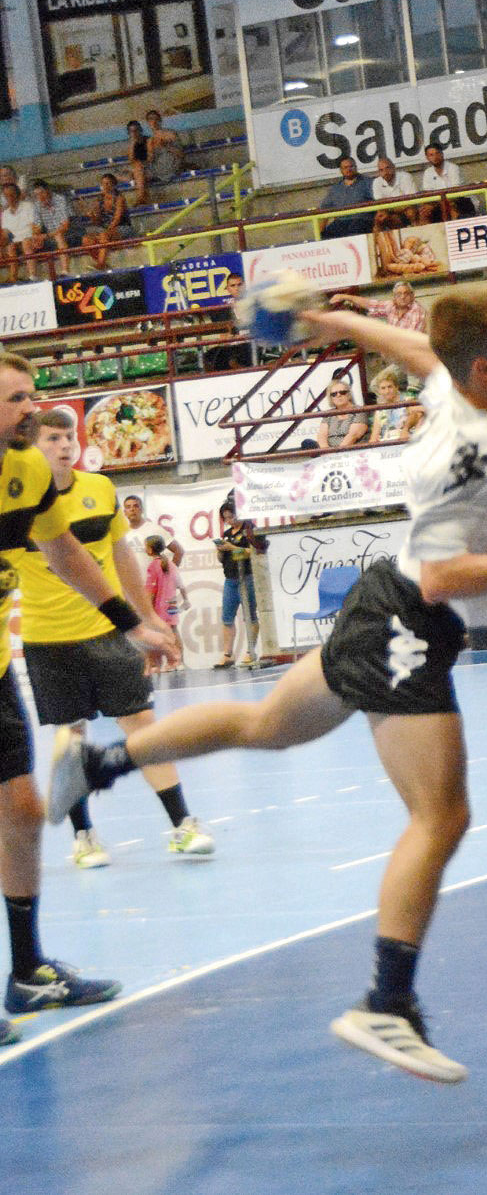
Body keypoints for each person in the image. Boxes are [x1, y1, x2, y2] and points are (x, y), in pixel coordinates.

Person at [48, 285, 487, 1079]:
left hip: (394, 608)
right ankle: (387, 1004)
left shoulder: (458, 383)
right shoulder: (465, 451)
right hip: (409, 619)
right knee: (441, 817)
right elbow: (442, 577)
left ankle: (99, 765)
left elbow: (407, 349)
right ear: (485, 366)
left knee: (266, 725)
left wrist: (321, 318)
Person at [0, 352, 176, 1046]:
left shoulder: (27, 471)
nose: (32, 410)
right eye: (15, 398)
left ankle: (28, 972)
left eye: (32, 395)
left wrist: (133, 623)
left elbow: (63, 551)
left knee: (22, 807)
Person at [23, 409, 211, 869]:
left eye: (70, 436)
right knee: (71, 741)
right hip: (48, 640)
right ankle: (84, 836)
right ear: (32, 446)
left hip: (108, 633)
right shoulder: (17, 503)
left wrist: (146, 616)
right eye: (53, 438)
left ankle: (182, 824)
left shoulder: (99, 490)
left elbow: (121, 554)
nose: (66, 445)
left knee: (144, 727)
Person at [213, 501, 262, 669]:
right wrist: (220, 550)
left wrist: (232, 547)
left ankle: (250, 650)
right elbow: (221, 559)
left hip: (246, 576)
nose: (230, 521)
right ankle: (227, 654)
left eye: (232, 516)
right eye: (226, 518)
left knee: (250, 615)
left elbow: (254, 552)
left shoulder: (250, 529)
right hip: (230, 578)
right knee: (227, 617)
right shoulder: (226, 533)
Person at [332, 280, 426, 334]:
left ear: (412, 295)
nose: (402, 297)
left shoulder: (417, 311)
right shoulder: (392, 305)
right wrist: (345, 297)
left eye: (406, 293)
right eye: (399, 294)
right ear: (394, 297)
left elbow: (410, 339)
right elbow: (369, 304)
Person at [26, 181, 76, 281]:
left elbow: (65, 226)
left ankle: (65, 271)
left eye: (42, 193)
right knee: (27, 241)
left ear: (48, 191)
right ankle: (32, 276)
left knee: (59, 236)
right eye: (37, 195)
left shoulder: (61, 200)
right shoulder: (37, 205)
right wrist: (36, 236)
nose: (40, 197)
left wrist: (46, 236)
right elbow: (37, 226)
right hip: (50, 235)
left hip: (70, 233)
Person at [318, 158, 376, 239]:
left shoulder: (368, 182)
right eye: (345, 167)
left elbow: (379, 201)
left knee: (354, 230)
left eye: (351, 166)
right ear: (341, 170)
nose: (349, 169)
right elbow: (324, 209)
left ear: (356, 167)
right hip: (341, 222)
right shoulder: (335, 188)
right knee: (326, 234)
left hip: (362, 220)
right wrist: (320, 232)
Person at [82, 174, 131, 269]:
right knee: (86, 239)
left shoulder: (119, 198)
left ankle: (100, 265)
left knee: (103, 236)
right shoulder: (99, 200)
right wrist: (92, 216)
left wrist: (105, 232)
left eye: (108, 183)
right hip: (106, 231)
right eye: (103, 184)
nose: (105, 186)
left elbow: (117, 219)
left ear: (113, 185)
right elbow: (98, 222)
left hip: (123, 228)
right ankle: (103, 264)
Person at [416, 144, 473, 220]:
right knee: (424, 212)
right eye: (431, 155)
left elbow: (455, 194)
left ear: (442, 154)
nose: (435, 157)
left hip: (462, 202)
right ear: (427, 158)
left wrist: (435, 204)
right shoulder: (428, 172)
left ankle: (454, 230)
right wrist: (430, 206)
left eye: (437, 153)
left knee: (451, 205)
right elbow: (428, 194)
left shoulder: (453, 168)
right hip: (439, 203)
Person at [313, 375, 371, 448]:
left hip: (350, 449)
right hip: (328, 451)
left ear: (349, 394)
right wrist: (326, 451)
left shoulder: (359, 411)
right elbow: (322, 435)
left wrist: (336, 453)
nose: (338, 395)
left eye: (342, 392)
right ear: (330, 398)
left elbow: (353, 435)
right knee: (307, 443)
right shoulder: (329, 414)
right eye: (334, 394)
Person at [369, 366, 423, 442]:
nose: (387, 391)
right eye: (383, 388)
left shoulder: (407, 400)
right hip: (386, 445)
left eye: (389, 387)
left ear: (396, 387)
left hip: (407, 440)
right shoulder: (380, 410)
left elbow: (421, 411)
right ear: (379, 391)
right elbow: (373, 437)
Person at [0, 182, 36, 284]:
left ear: (18, 194)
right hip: (14, 241)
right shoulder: (5, 213)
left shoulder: (28, 206)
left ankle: (32, 276)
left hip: (28, 238)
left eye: (12, 195)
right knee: (10, 246)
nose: (9, 198)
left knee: (26, 242)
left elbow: (33, 226)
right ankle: (13, 277)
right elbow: (6, 233)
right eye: (6, 196)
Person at [368, 156, 417, 231]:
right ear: (379, 172)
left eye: (387, 168)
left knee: (411, 212)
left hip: (407, 210)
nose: (385, 172)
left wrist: (390, 206)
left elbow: (411, 201)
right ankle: (379, 241)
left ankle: (417, 232)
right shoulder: (376, 182)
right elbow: (380, 205)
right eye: (381, 170)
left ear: (393, 167)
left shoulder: (405, 176)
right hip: (392, 212)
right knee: (379, 218)